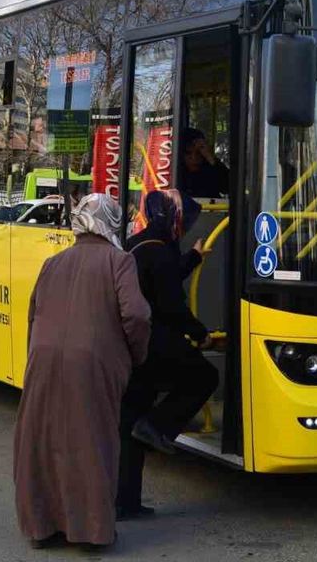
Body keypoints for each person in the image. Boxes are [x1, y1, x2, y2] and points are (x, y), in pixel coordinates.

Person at [13, 194, 151, 550]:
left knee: (42, 440)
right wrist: (134, 355)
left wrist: (35, 357)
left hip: (43, 359)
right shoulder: (119, 261)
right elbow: (136, 315)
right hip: (93, 362)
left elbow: (34, 312)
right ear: (111, 222)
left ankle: (42, 529)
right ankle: (90, 532)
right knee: (91, 441)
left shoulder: (53, 262)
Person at [117, 189, 219, 520]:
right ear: (172, 218)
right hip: (155, 343)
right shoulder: (160, 253)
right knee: (205, 376)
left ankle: (125, 502)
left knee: (130, 423)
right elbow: (171, 306)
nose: (185, 227)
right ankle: (159, 426)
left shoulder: (136, 245)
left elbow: (165, 278)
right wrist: (201, 334)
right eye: (183, 220)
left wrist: (193, 257)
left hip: (128, 346)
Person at [178, 128, 230, 199]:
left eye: (199, 152)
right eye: (188, 153)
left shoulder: (211, 169)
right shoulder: (174, 173)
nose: (194, 158)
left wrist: (211, 159)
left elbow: (230, 188)